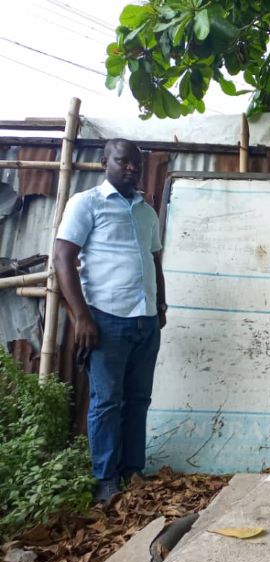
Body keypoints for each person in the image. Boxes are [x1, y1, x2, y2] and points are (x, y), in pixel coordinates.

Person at [54, 138, 167, 503]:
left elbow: (155, 262)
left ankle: (133, 471)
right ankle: (105, 480)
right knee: (106, 401)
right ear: (106, 162)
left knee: (138, 399)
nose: (132, 168)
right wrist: (81, 317)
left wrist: (161, 307)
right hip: (106, 320)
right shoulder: (86, 204)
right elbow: (62, 260)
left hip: (145, 320)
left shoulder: (146, 212)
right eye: (123, 161)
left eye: (136, 163)